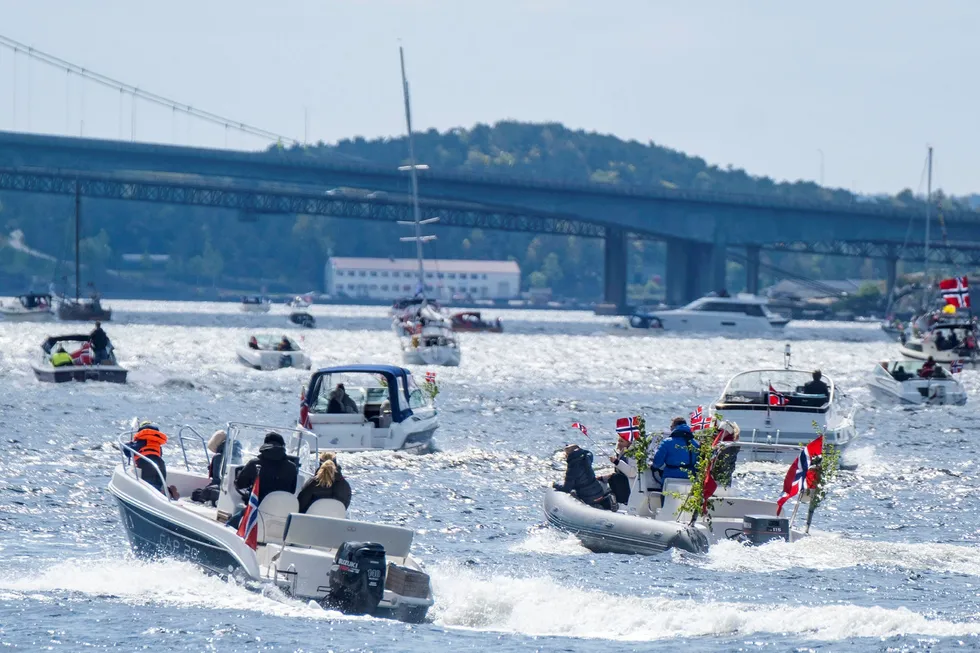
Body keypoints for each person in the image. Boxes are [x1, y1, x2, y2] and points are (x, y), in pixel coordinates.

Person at [228, 432, 299, 528]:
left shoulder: (254, 464)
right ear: (282, 446)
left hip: (256, 511)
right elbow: (292, 490)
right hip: (281, 513)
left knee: (228, 526)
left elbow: (240, 484)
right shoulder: (292, 467)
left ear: (265, 445)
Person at [553, 444, 615, 511]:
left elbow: (566, 488)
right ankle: (604, 502)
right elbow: (589, 453)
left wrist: (555, 485)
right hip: (599, 491)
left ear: (568, 455)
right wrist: (581, 451)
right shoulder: (587, 459)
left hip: (587, 497)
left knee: (572, 492)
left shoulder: (572, 469)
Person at [651, 417, 699, 490]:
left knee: (666, 498)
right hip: (689, 480)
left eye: (671, 427)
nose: (670, 429)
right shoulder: (695, 444)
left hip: (670, 479)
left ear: (675, 427)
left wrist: (654, 467)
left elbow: (658, 463)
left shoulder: (667, 442)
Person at [126, 421, 169, 492]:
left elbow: (129, 452)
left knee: (150, 485)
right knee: (158, 483)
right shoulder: (157, 443)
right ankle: (166, 492)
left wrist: (128, 444)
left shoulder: (142, 441)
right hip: (160, 464)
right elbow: (160, 454)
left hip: (147, 463)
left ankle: (160, 493)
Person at [711, 421, 740, 488]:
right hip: (724, 475)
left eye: (721, 431)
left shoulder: (728, 445)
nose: (719, 433)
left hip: (722, 474)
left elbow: (723, 463)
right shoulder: (729, 443)